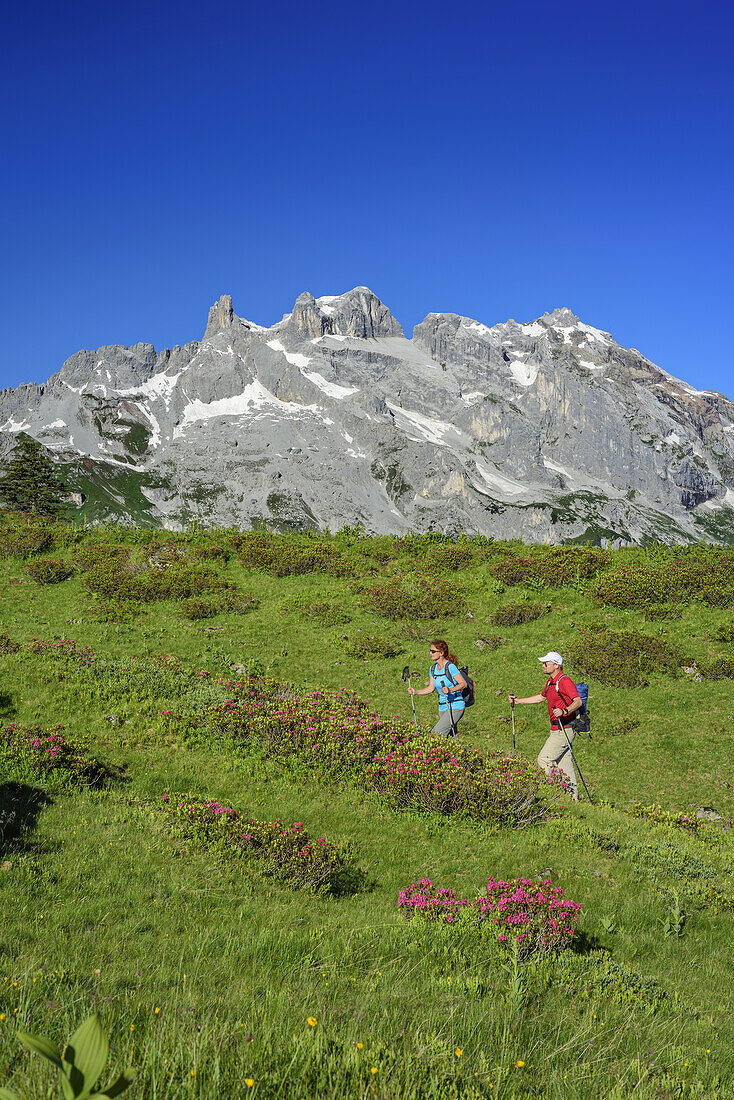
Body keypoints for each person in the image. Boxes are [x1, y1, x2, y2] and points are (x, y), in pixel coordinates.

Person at [508, 651, 582, 799]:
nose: (543, 666)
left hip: (565, 728)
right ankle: (573, 798)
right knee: (564, 763)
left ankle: (560, 790)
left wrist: (564, 710)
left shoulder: (564, 681)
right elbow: (541, 697)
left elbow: (578, 701)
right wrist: (519, 701)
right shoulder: (551, 682)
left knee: (544, 760)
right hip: (556, 728)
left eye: (546, 664)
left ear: (556, 665)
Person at [408, 640, 467, 736]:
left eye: (433, 651)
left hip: (455, 706)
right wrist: (415, 692)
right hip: (443, 707)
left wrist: (450, 690)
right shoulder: (433, 669)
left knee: (436, 735)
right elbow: (431, 688)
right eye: (430, 651)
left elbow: (463, 684)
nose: (430, 653)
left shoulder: (450, 667)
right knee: (450, 738)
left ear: (442, 653)